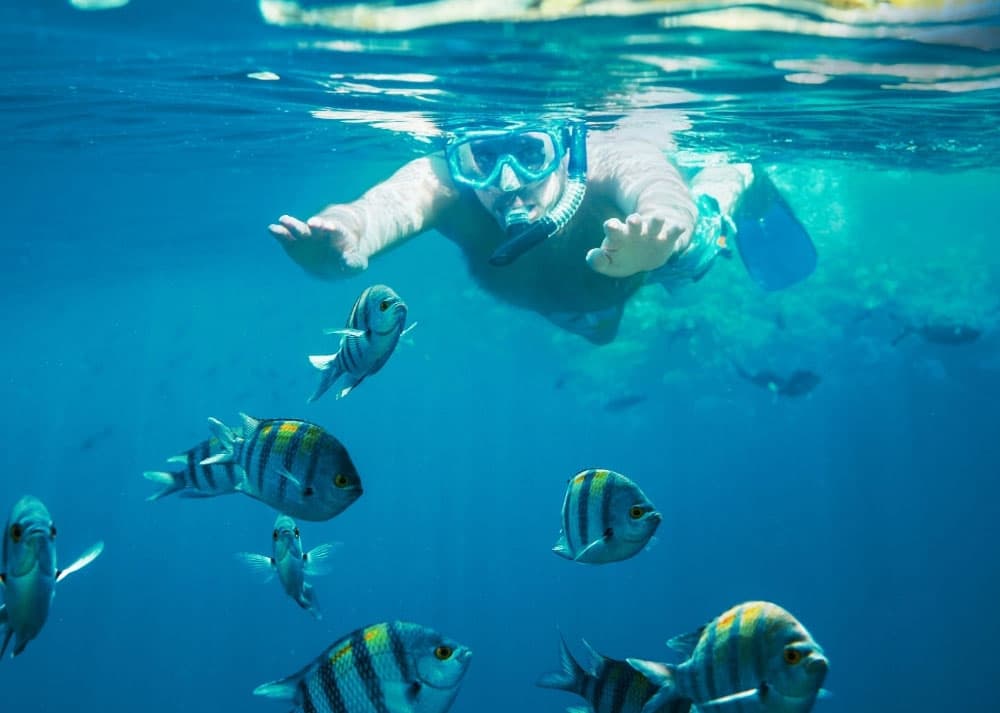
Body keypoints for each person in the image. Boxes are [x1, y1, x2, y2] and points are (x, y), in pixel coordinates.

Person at [269, 118, 808, 344]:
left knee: (693, 252)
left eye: (530, 154)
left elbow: (657, 187)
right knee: (600, 334)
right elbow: (386, 206)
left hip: (658, 257)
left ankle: (733, 174)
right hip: (573, 306)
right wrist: (347, 235)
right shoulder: (448, 183)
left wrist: (664, 232)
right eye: (483, 158)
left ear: (564, 149)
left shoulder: (605, 155)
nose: (507, 182)